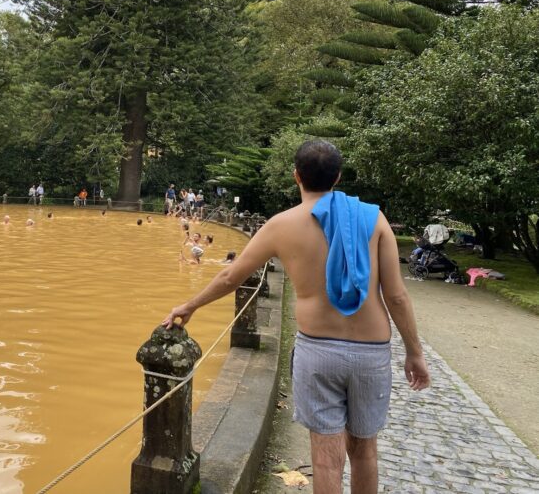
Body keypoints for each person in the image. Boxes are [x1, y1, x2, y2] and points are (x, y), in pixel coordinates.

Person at [163, 140, 430, 494]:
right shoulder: (373, 218)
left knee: (324, 459)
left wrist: (190, 305)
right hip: (371, 352)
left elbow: (231, 277)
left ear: (296, 177)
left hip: (317, 352)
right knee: (364, 451)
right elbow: (395, 296)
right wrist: (415, 352)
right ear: (338, 177)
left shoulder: (280, 226)